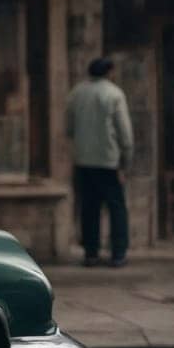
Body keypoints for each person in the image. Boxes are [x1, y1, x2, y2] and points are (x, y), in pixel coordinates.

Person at [66, 57, 133, 268]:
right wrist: (126, 162)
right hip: (109, 161)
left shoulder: (76, 93)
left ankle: (91, 253)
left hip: (84, 161)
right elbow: (125, 134)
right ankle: (118, 253)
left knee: (89, 207)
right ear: (110, 72)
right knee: (116, 208)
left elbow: (69, 128)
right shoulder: (114, 94)